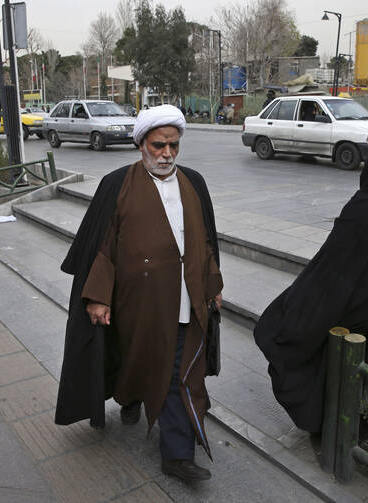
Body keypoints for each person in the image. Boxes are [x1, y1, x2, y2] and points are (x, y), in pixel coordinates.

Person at [55, 104, 224, 482]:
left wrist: (213, 286)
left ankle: (176, 454)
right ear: (140, 145)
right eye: (158, 145)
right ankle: (130, 396)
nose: (167, 154)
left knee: (176, 372)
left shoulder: (193, 182)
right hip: (135, 304)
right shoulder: (117, 184)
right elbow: (102, 246)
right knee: (137, 359)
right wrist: (97, 296)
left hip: (184, 298)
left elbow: (206, 241)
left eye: (174, 146)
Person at [253, 145, 368, 434]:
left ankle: (326, 422)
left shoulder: (363, 206)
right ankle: (364, 427)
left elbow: (333, 262)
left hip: (359, 305)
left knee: (299, 324)